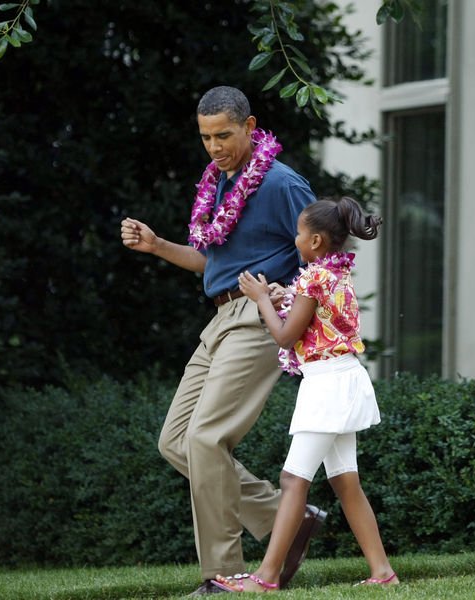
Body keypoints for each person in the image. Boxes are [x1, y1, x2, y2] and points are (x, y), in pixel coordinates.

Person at [119, 86, 325, 596]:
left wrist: (290, 295)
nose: (214, 146)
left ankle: (224, 575)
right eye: (206, 137)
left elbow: (323, 254)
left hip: (257, 319)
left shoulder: (279, 184)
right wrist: (157, 245)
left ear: (251, 127)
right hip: (218, 319)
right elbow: (213, 261)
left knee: (207, 438)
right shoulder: (219, 183)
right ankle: (287, 518)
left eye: (224, 135)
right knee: (176, 441)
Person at [211, 197, 399, 593]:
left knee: (293, 480)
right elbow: (308, 317)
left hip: (328, 388)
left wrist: (262, 299)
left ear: (315, 241)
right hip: (344, 380)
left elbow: (284, 335)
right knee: (346, 482)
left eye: (298, 232)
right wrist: (281, 297)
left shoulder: (314, 279)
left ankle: (266, 577)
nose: (294, 237)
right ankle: (382, 572)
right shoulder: (333, 274)